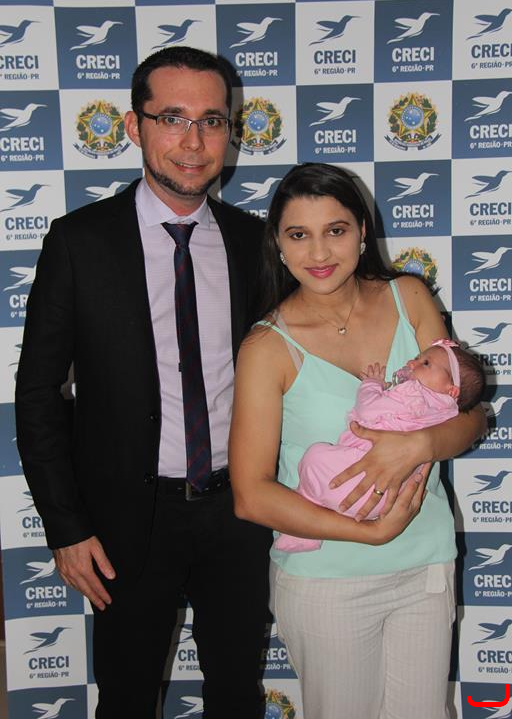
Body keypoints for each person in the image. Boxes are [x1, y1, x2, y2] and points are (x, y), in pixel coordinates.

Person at [15, 46, 272, 719]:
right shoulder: (79, 242)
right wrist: (65, 527)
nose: (193, 141)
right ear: (134, 126)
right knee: (126, 700)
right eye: (172, 118)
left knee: (237, 696)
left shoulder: (256, 243)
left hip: (240, 510)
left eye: (212, 121)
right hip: (126, 521)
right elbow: (39, 392)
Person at [229, 163, 486, 719]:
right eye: (299, 234)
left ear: (363, 232)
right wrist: (367, 532)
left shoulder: (409, 297)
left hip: (425, 566)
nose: (320, 252)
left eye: (336, 230)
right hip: (328, 581)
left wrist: (419, 446)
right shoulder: (266, 348)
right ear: (278, 244)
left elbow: (471, 416)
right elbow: (250, 495)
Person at [275, 339, 486, 552]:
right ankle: (307, 522)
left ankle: (304, 525)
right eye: (417, 358)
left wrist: (371, 384)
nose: (412, 363)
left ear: (452, 390)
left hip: (360, 478)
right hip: (389, 499)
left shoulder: (414, 395)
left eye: (426, 363)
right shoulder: (447, 413)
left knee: (315, 457)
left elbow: (369, 410)